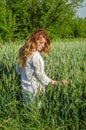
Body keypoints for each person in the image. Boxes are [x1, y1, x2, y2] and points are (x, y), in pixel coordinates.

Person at [15, 29, 68, 104]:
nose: (43, 46)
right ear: (34, 41)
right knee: (36, 113)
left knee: (27, 111)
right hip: (35, 91)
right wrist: (57, 82)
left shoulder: (24, 53)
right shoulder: (35, 56)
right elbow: (41, 76)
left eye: (44, 43)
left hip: (25, 90)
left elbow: (18, 71)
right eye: (41, 43)